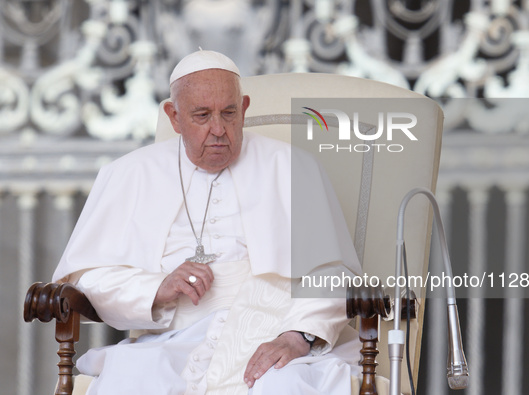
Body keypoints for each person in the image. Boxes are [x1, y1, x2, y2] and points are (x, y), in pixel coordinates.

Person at [52, 50, 363, 395]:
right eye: (202, 115)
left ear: (244, 109)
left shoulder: (293, 167)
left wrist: (298, 336)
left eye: (229, 113)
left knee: (286, 383)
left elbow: (334, 272)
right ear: (174, 116)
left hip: (277, 331)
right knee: (133, 379)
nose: (219, 130)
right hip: (173, 338)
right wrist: (156, 288)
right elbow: (86, 277)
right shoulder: (131, 173)